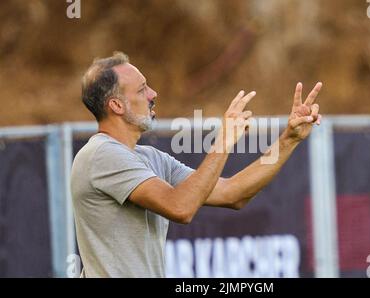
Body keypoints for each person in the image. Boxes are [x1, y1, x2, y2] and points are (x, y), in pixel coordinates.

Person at [71, 51, 322, 278]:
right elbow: (181, 208)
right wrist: (223, 142)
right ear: (116, 105)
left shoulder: (149, 157)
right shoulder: (101, 154)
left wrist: (288, 140)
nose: (153, 94)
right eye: (142, 90)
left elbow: (233, 193)